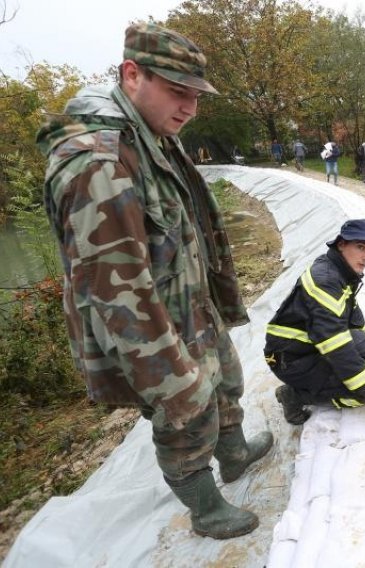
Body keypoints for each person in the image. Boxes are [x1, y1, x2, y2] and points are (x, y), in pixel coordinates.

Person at [36, 22, 273, 540]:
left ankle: (233, 455)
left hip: (191, 303)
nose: (189, 107)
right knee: (184, 415)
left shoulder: (155, 135)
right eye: (177, 92)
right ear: (131, 74)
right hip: (154, 323)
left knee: (226, 381)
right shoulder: (98, 161)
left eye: (196, 96)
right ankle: (207, 509)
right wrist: (168, 378)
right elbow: (114, 290)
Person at [264, 219, 365, 425]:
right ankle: (294, 395)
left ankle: (337, 374)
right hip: (291, 359)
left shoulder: (340, 269)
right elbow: (337, 348)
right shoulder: (325, 280)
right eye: (360, 247)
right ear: (341, 244)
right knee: (360, 395)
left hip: (310, 344)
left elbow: (350, 310)